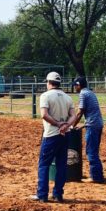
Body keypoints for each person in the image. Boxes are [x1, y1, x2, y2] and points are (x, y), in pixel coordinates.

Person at [30, 72, 76, 203]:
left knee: (44, 164)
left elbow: (44, 114)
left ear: (49, 82)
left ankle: (42, 194)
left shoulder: (45, 96)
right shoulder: (68, 98)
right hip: (65, 135)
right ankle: (58, 194)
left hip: (51, 135)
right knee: (61, 165)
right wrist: (66, 125)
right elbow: (73, 115)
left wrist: (57, 124)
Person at [72, 77, 104, 183]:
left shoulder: (82, 94)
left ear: (79, 85)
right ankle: (97, 175)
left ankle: (95, 177)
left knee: (91, 152)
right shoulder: (90, 92)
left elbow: (80, 112)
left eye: (75, 85)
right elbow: (92, 112)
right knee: (94, 151)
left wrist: (72, 125)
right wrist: (84, 125)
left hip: (92, 126)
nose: (74, 87)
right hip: (97, 124)